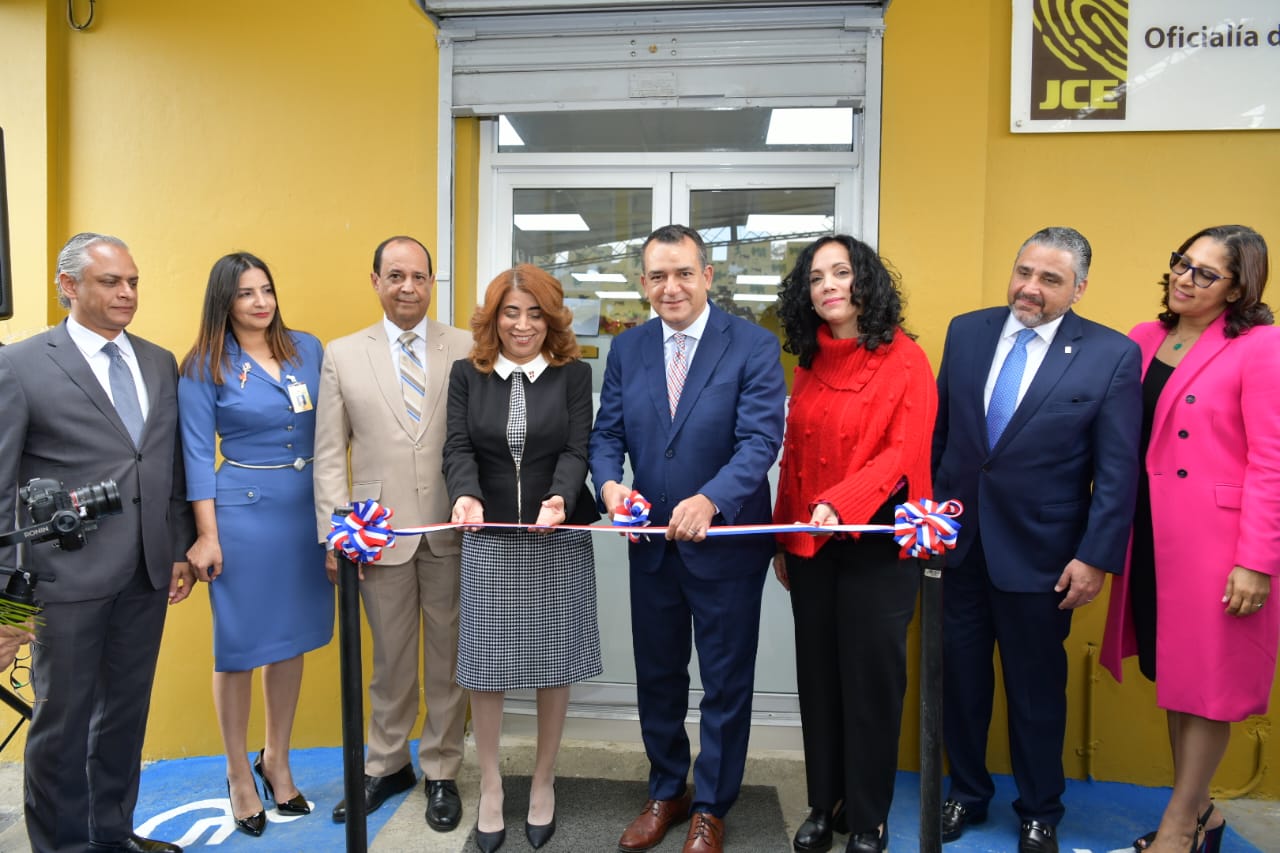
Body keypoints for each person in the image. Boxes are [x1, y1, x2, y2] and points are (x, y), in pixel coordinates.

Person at [932, 227, 1142, 853]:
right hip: (959, 547)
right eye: (1024, 271)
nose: (1030, 287)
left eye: (1050, 279)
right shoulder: (966, 332)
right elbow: (944, 437)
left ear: (1079, 288)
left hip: (1044, 557)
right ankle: (966, 793)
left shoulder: (1110, 354)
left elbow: (1118, 470)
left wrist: (1095, 557)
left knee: (1036, 693)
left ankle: (1040, 809)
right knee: (961, 684)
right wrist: (929, 521)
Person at [589, 224, 786, 853]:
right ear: (643, 283)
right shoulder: (629, 348)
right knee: (658, 674)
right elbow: (606, 434)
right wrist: (609, 486)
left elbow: (760, 440)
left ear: (707, 276)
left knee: (725, 680)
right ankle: (667, 789)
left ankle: (711, 805)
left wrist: (712, 498)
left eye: (682, 273)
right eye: (657, 276)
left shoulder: (752, 345)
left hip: (726, 546)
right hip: (652, 544)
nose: (670, 287)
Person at [0, 232, 196, 853]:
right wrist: (6, 606)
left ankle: (112, 836)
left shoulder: (159, 361)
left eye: (133, 281)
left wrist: (178, 549)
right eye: (111, 282)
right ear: (69, 286)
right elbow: (1, 489)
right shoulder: (20, 365)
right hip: (63, 583)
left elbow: (166, 465)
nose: (127, 293)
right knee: (63, 725)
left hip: (145, 574)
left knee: (124, 717)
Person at [1101, 225, 1280, 853]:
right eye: (1183, 262)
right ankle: (1204, 814)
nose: (1185, 277)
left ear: (1237, 288)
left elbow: (1272, 461)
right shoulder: (1143, 338)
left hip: (1219, 544)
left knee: (1208, 688)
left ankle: (1178, 830)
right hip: (1151, 534)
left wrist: (1256, 561)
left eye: (1206, 272)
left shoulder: (1261, 346)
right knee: (1177, 678)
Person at [771, 235, 936, 853]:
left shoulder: (906, 359)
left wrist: (843, 502)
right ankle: (826, 802)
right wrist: (784, 536)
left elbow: (904, 453)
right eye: (816, 278)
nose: (828, 286)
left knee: (870, 686)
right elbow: (795, 456)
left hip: (877, 546)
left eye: (841, 273)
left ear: (865, 282)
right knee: (818, 680)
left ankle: (868, 816)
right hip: (812, 546)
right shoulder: (811, 361)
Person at [313, 235, 472, 831]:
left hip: (451, 526)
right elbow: (330, 453)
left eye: (420, 276)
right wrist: (336, 534)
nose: (409, 287)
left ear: (432, 283)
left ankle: (442, 770)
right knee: (390, 660)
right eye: (397, 276)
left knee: (449, 657)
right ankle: (386, 764)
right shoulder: (342, 354)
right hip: (375, 533)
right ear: (376, 281)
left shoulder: (465, 346)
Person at [443, 265, 603, 852]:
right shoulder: (468, 374)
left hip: (556, 535)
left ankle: (542, 780)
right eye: (511, 312)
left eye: (536, 313)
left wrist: (559, 497)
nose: (523, 324)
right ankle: (490, 785)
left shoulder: (573, 374)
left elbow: (577, 448)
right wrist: (465, 493)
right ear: (494, 318)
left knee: (553, 663)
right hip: (489, 536)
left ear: (552, 318)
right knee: (486, 666)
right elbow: (457, 446)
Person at [178, 252, 333, 837]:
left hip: (304, 511)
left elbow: (333, 427)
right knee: (240, 647)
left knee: (289, 641)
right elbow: (196, 454)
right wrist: (206, 535)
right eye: (245, 293)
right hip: (241, 514)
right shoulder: (204, 364)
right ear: (225, 301)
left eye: (266, 289)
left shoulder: (307, 349)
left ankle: (277, 760)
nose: (260, 302)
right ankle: (238, 772)